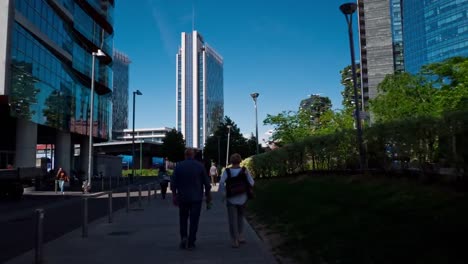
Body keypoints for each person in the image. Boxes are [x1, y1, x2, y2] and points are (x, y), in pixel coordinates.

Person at [171, 148, 212, 250]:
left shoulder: (179, 166)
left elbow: (173, 183)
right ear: (193, 155)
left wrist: (174, 195)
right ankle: (191, 241)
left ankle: (184, 237)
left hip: (183, 198)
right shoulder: (200, 166)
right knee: (194, 220)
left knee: (183, 219)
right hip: (196, 198)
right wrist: (208, 195)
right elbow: (207, 183)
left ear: (185, 155)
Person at [219, 153, 255, 248]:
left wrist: (223, 194)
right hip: (243, 198)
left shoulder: (226, 171)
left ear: (231, 161)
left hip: (231, 198)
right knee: (240, 217)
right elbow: (252, 182)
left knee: (232, 220)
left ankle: (234, 240)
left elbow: (222, 183)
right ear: (240, 161)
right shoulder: (244, 170)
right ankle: (241, 236)